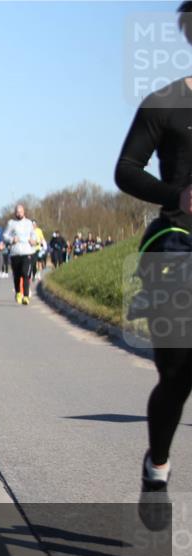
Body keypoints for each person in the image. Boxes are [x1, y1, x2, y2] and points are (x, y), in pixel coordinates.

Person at [114, 3, 192, 518]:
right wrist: (177, 194)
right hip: (176, 247)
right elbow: (125, 170)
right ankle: (157, 467)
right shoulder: (164, 103)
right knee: (179, 374)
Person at [3, 203, 38, 305]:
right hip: (15, 252)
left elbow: (34, 235)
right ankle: (18, 292)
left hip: (27, 251)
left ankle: (26, 296)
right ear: (15, 213)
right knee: (17, 275)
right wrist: (11, 239)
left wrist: (33, 240)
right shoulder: (11, 223)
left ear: (24, 212)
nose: (19, 213)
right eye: (17, 212)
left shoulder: (29, 223)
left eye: (20, 212)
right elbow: (5, 235)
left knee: (25, 274)